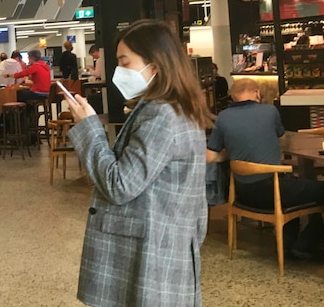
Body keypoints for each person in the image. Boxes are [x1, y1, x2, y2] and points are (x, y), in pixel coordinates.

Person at [64, 19, 211, 306]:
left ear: (155, 65)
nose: (119, 72)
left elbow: (119, 185)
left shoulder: (162, 115)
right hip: (164, 246)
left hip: (151, 256)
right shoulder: (173, 108)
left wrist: (88, 127)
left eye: (125, 62)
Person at [207, 78, 324, 258]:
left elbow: (210, 156)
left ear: (233, 96)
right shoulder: (270, 111)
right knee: (316, 190)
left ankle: (288, 243)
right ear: (257, 93)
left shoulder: (223, 117)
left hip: (242, 193)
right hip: (272, 189)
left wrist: (237, 151)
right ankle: (305, 243)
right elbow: (282, 139)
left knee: (294, 190)